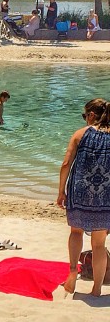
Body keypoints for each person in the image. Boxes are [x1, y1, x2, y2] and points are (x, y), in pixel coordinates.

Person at [57, 97, 110, 297]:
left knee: (76, 233)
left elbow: (65, 164)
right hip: (106, 194)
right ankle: (96, 289)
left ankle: (72, 273)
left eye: (84, 115)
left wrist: (61, 191)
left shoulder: (80, 134)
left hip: (80, 192)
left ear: (92, 115)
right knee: (99, 244)